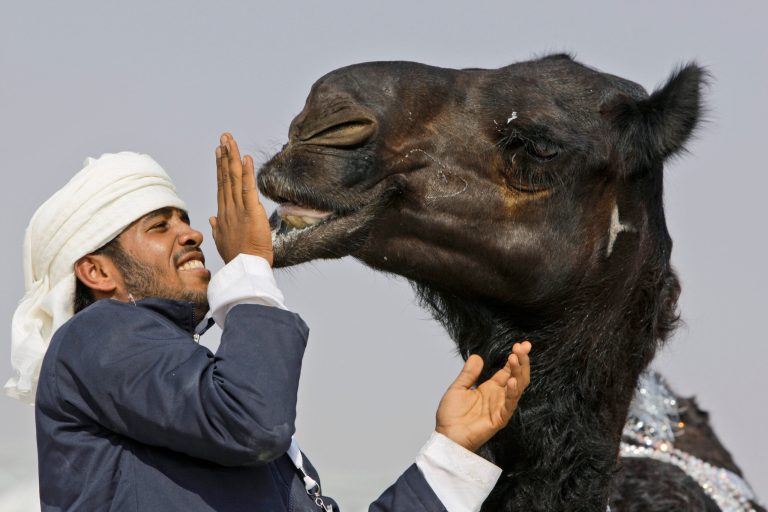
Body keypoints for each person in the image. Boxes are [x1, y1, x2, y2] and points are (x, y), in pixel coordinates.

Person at [6, 132, 532, 511]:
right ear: (97, 271)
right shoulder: (94, 334)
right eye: (159, 226)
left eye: (186, 222)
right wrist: (249, 271)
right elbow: (252, 423)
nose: (190, 236)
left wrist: (451, 452)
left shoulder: (195, 392)